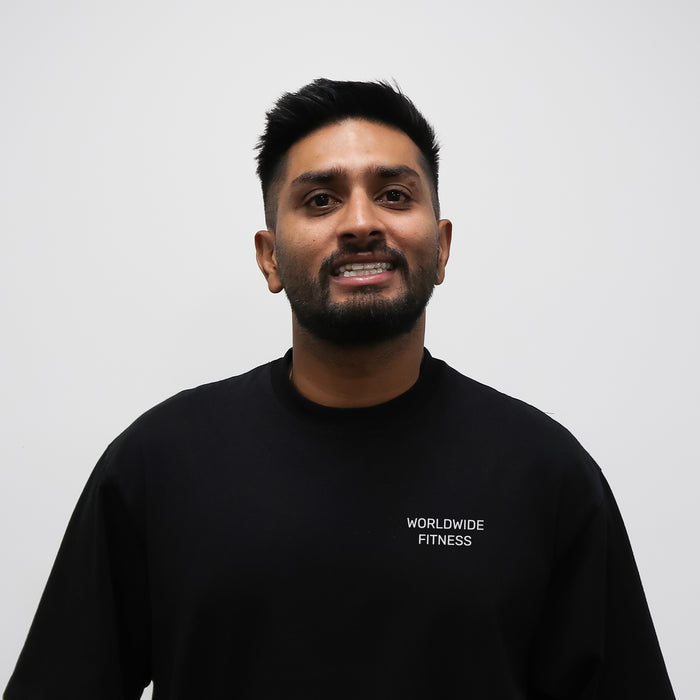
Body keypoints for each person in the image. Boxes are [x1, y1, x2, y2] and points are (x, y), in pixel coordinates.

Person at [4, 79, 675, 699]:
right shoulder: (160, 463)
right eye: (320, 200)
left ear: (441, 248)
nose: (360, 222)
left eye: (395, 195)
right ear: (270, 256)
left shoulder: (544, 473)